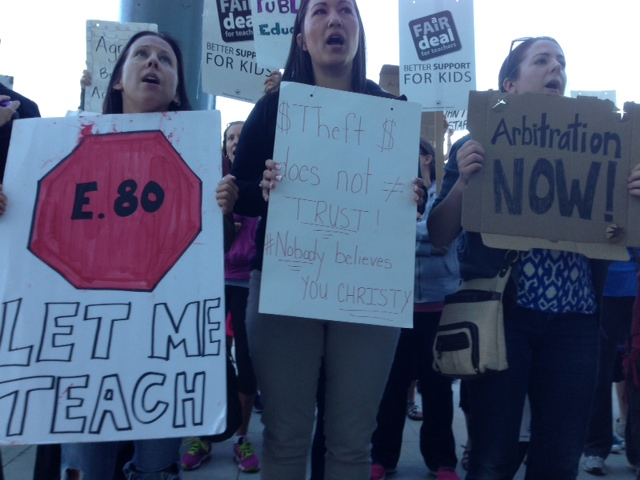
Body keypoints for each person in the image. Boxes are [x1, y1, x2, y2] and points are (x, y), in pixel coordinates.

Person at [230, 1, 424, 478]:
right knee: (285, 438)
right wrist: (265, 188)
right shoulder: (274, 107)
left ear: (358, 33)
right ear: (302, 38)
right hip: (284, 289)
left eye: (346, 11)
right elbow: (240, 195)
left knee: (353, 442)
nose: (334, 20)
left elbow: (405, 201)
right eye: (319, 11)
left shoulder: (392, 114)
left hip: (369, 293)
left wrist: (415, 192)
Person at [54, 30, 237, 480]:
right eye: (142, 55)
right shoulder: (66, 151)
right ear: (117, 81)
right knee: (87, 467)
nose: (153, 63)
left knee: (156, 468)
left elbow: (207, 257)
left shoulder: (200, 163)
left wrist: (223, 214)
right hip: (87, 345)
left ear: (177, 91)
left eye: (166, 59)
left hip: (162, 347)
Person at [428, 36, 610, 479]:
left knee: (561, 456)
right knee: (492, 453)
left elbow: (620, 235)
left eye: (562, 63)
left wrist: (630, 197)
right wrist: (463, 184)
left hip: (576, 321)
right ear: (508, 84)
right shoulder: (476, 144)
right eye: (542, 60)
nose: (556, 70)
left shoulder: (598, 147)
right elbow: (439, 234)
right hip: (504, 317)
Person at [370, 139, 460, 480]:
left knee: (437, 388)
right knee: (392, 386)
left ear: (427, 159)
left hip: (437, 306)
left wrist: (413, 234)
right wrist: (424, 236)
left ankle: (442, 461)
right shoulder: (388, 192)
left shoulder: (445, 194)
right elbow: (386, 237)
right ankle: (382, 456)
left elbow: (441, 239)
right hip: (397, 305)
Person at [180, 120, 261, 474]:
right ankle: (205, 436)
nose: (234, 142)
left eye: (242, 138)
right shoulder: (206, 176)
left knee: (247, 360)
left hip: (247, 283)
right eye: (229, 137)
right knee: (208, 358)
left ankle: (242, 437)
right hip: (210, 282)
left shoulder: (262, 182)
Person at [583, 254, 637, 475]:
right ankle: (595, 449)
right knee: (599, 373)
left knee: (638, 372)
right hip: (602, 285)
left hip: (636, 283)